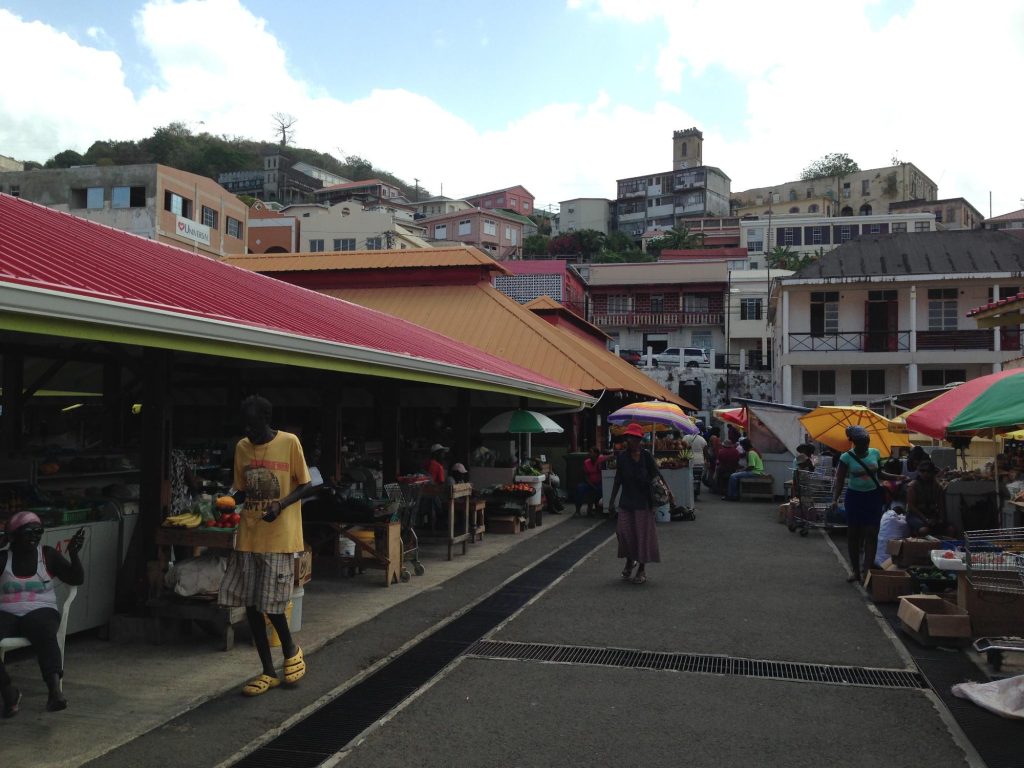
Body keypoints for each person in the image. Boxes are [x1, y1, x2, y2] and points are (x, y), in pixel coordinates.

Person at [219, 395, 311, 697]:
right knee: (251, 605)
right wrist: (230, 500)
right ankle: (268, 671)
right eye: (244, 424)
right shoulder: (242, 448)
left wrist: (280, 505)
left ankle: (290, 648)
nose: (248, 430)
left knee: (271, 605)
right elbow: (242, 488)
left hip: (280, 537)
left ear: (266, 420)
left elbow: (306, 484)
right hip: (249, 537)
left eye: (253, 424)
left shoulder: (289, 443)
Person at [0, 511, 85, 716]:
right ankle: (7, 690)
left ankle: (54, 691)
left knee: (45, 634)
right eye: (28, 533)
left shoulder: (46, 555)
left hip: (41, 610)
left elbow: (75, 579)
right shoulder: (4, 558)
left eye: (38, 532)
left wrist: (73, 554)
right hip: (6, 612)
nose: (34, 537)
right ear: (13, 537)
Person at [832, 425, 906, 583]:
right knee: (854, 534)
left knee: (872, 532)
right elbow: (839, 480)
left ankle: (867, 570)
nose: (865, 445)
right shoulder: (846, 457)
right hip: (854, 498)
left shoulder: (875, 453)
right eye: (861, 443)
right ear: (853, 442)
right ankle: (855, 570)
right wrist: (835, 498)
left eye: (866, 442)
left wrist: (897, 477)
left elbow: (880, 473)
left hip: (873, 496)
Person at [608, 423, 674, 585]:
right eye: (628, 437)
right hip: (626, 501)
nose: (629, 440)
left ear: (639, 439)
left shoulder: (646, 456)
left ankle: (641, 569)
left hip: (644, 502)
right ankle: (630, 560)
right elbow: (618, 480)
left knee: (642, 536)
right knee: (623, 533)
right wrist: (611, 502)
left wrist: (669, 492)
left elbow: (657, 476)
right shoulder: (622, 457)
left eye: (633, 438)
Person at [905, 460, 952, 536]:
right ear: (919, 472)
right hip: (915, 515)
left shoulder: (937, 487)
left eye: (928, 471)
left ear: (932, 472)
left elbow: (941, 506)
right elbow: (911, 507)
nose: (925, 473)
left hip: (931, 515)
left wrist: (941, 519)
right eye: (922, 471)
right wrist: (925, 519)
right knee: (924, 530)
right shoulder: (913, 486)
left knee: (950, 529)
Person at [575, 445, 607, 517]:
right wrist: (592, 485)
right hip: (589, 483)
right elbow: (585, 476)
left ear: (596, 454)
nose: (589, 454)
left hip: (600, 483)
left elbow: (611, 457)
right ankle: (577, 510)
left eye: (591, 452)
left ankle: (599, 509)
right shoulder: (586, 462)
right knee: (579, 488)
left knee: (603, 490)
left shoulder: (601, 459)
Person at [681, 428, 707, 500]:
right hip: (699, 460)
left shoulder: (685, 437)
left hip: (688, 459)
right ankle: (695, 495)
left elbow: (682, 448)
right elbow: (705, 450)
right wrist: (706, 460)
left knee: (689, 478)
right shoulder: (702, 439)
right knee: (697, 479)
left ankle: (689, 494)